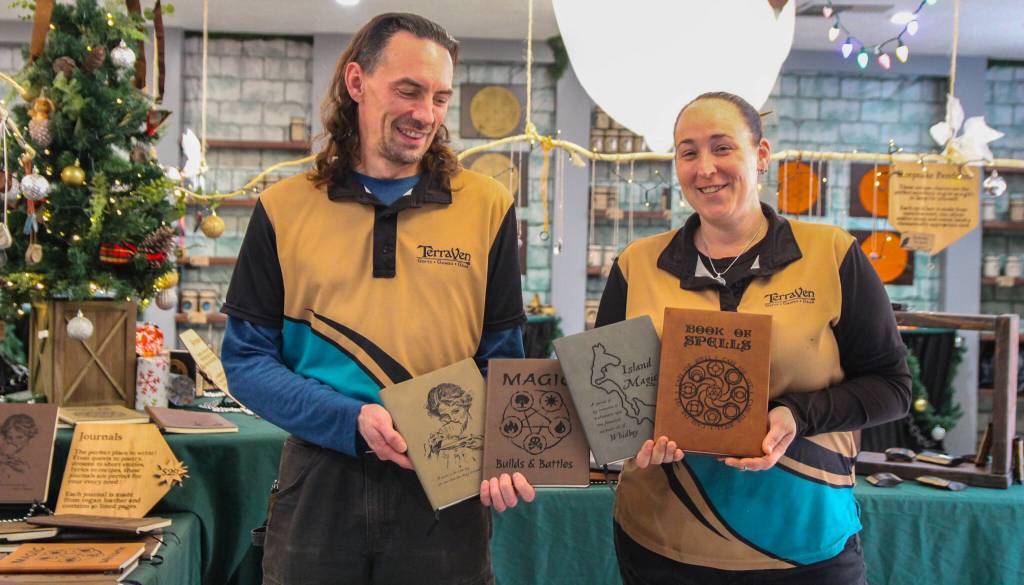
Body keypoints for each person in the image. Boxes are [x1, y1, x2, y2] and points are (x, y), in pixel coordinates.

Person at [221, 13, 532, 585]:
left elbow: (503, 359)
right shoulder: (283, 209)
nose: (426, 114)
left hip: (446, 484)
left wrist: (505, 449)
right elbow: (244, 361)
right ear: (357, 82)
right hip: (320, 475)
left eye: (440, 97)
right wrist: (350, 419)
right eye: (408, 91)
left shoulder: (488, 206)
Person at [596, 92, 912, 584]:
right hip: (663, 543)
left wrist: (796, 415)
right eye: (688, 152)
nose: (705, 168)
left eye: (722, 147)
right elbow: (607, 399)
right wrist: (626, 440)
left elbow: (892, 388)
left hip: (804, 543)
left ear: (760, 154)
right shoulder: (637, 264)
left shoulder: (831, 254)